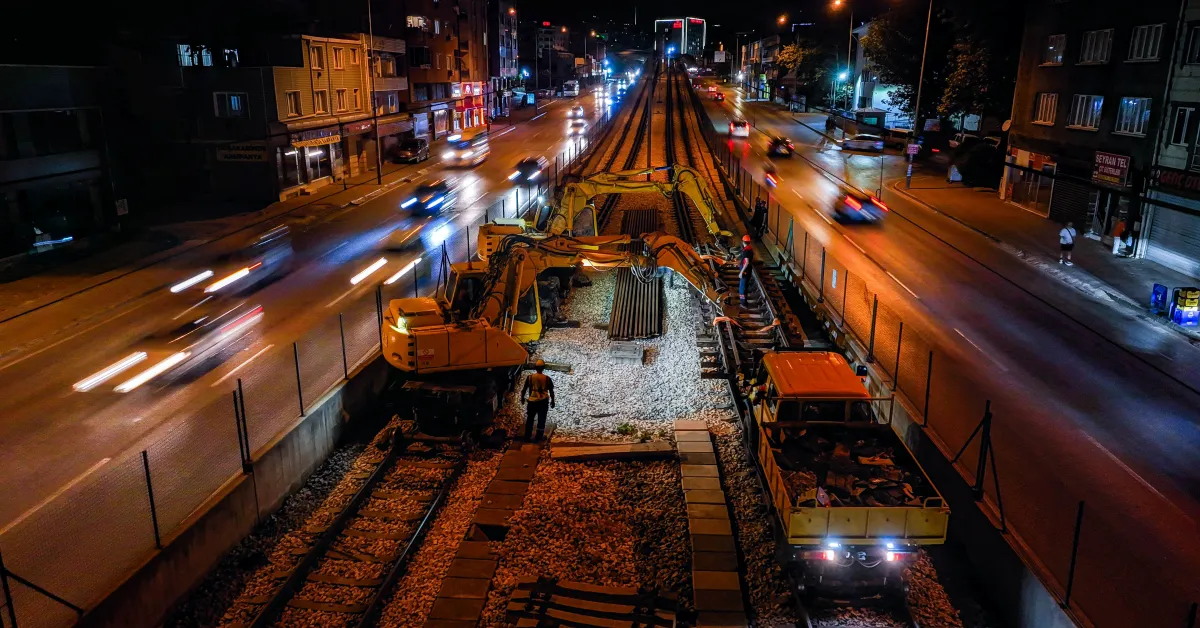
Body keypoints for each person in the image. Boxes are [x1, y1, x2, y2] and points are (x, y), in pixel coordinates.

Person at [521, 359, 555, 441]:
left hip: (532, 401)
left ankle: (527, 436)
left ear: (535, 368)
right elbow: (551, 391)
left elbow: (524, 389)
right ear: (543, 368)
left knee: (530, 419)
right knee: (541, 419)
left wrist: (522, 398)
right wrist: (553, 401)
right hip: (543, 401)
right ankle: (539, 436)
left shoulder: (530, 377)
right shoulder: (547, 378)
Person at [738, 234, 754, 305]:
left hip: (745, 271)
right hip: (748, 270)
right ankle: (744, 301)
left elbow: (747, 262)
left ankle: (743, 303)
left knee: (742, 287)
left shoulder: (746, 251)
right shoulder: (750, 249)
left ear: (743, 242)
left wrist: (741, 272)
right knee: (745, 286)